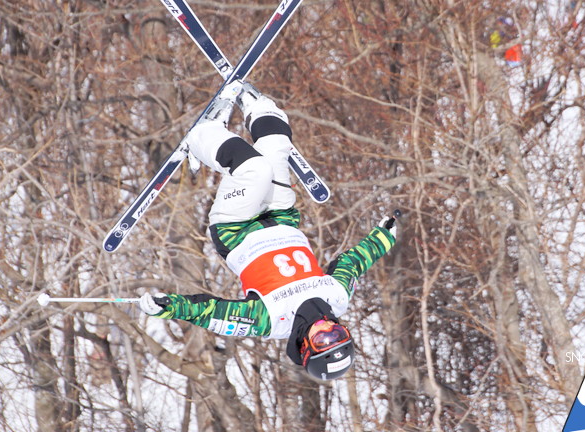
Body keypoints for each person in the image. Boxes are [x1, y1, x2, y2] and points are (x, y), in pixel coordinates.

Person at [139, 81, 397, 380]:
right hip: (281, 216)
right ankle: (258, 106)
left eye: (323, 341)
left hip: (236, 228)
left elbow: (212, 313)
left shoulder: (271, 321)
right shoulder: (338, 297)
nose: (327, 328)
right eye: (338, 333)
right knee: (276, 146)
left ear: (305, 347)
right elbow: (352, 264)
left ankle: (200, 137)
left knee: (255, 170)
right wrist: (383, 237)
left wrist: (169, 307)